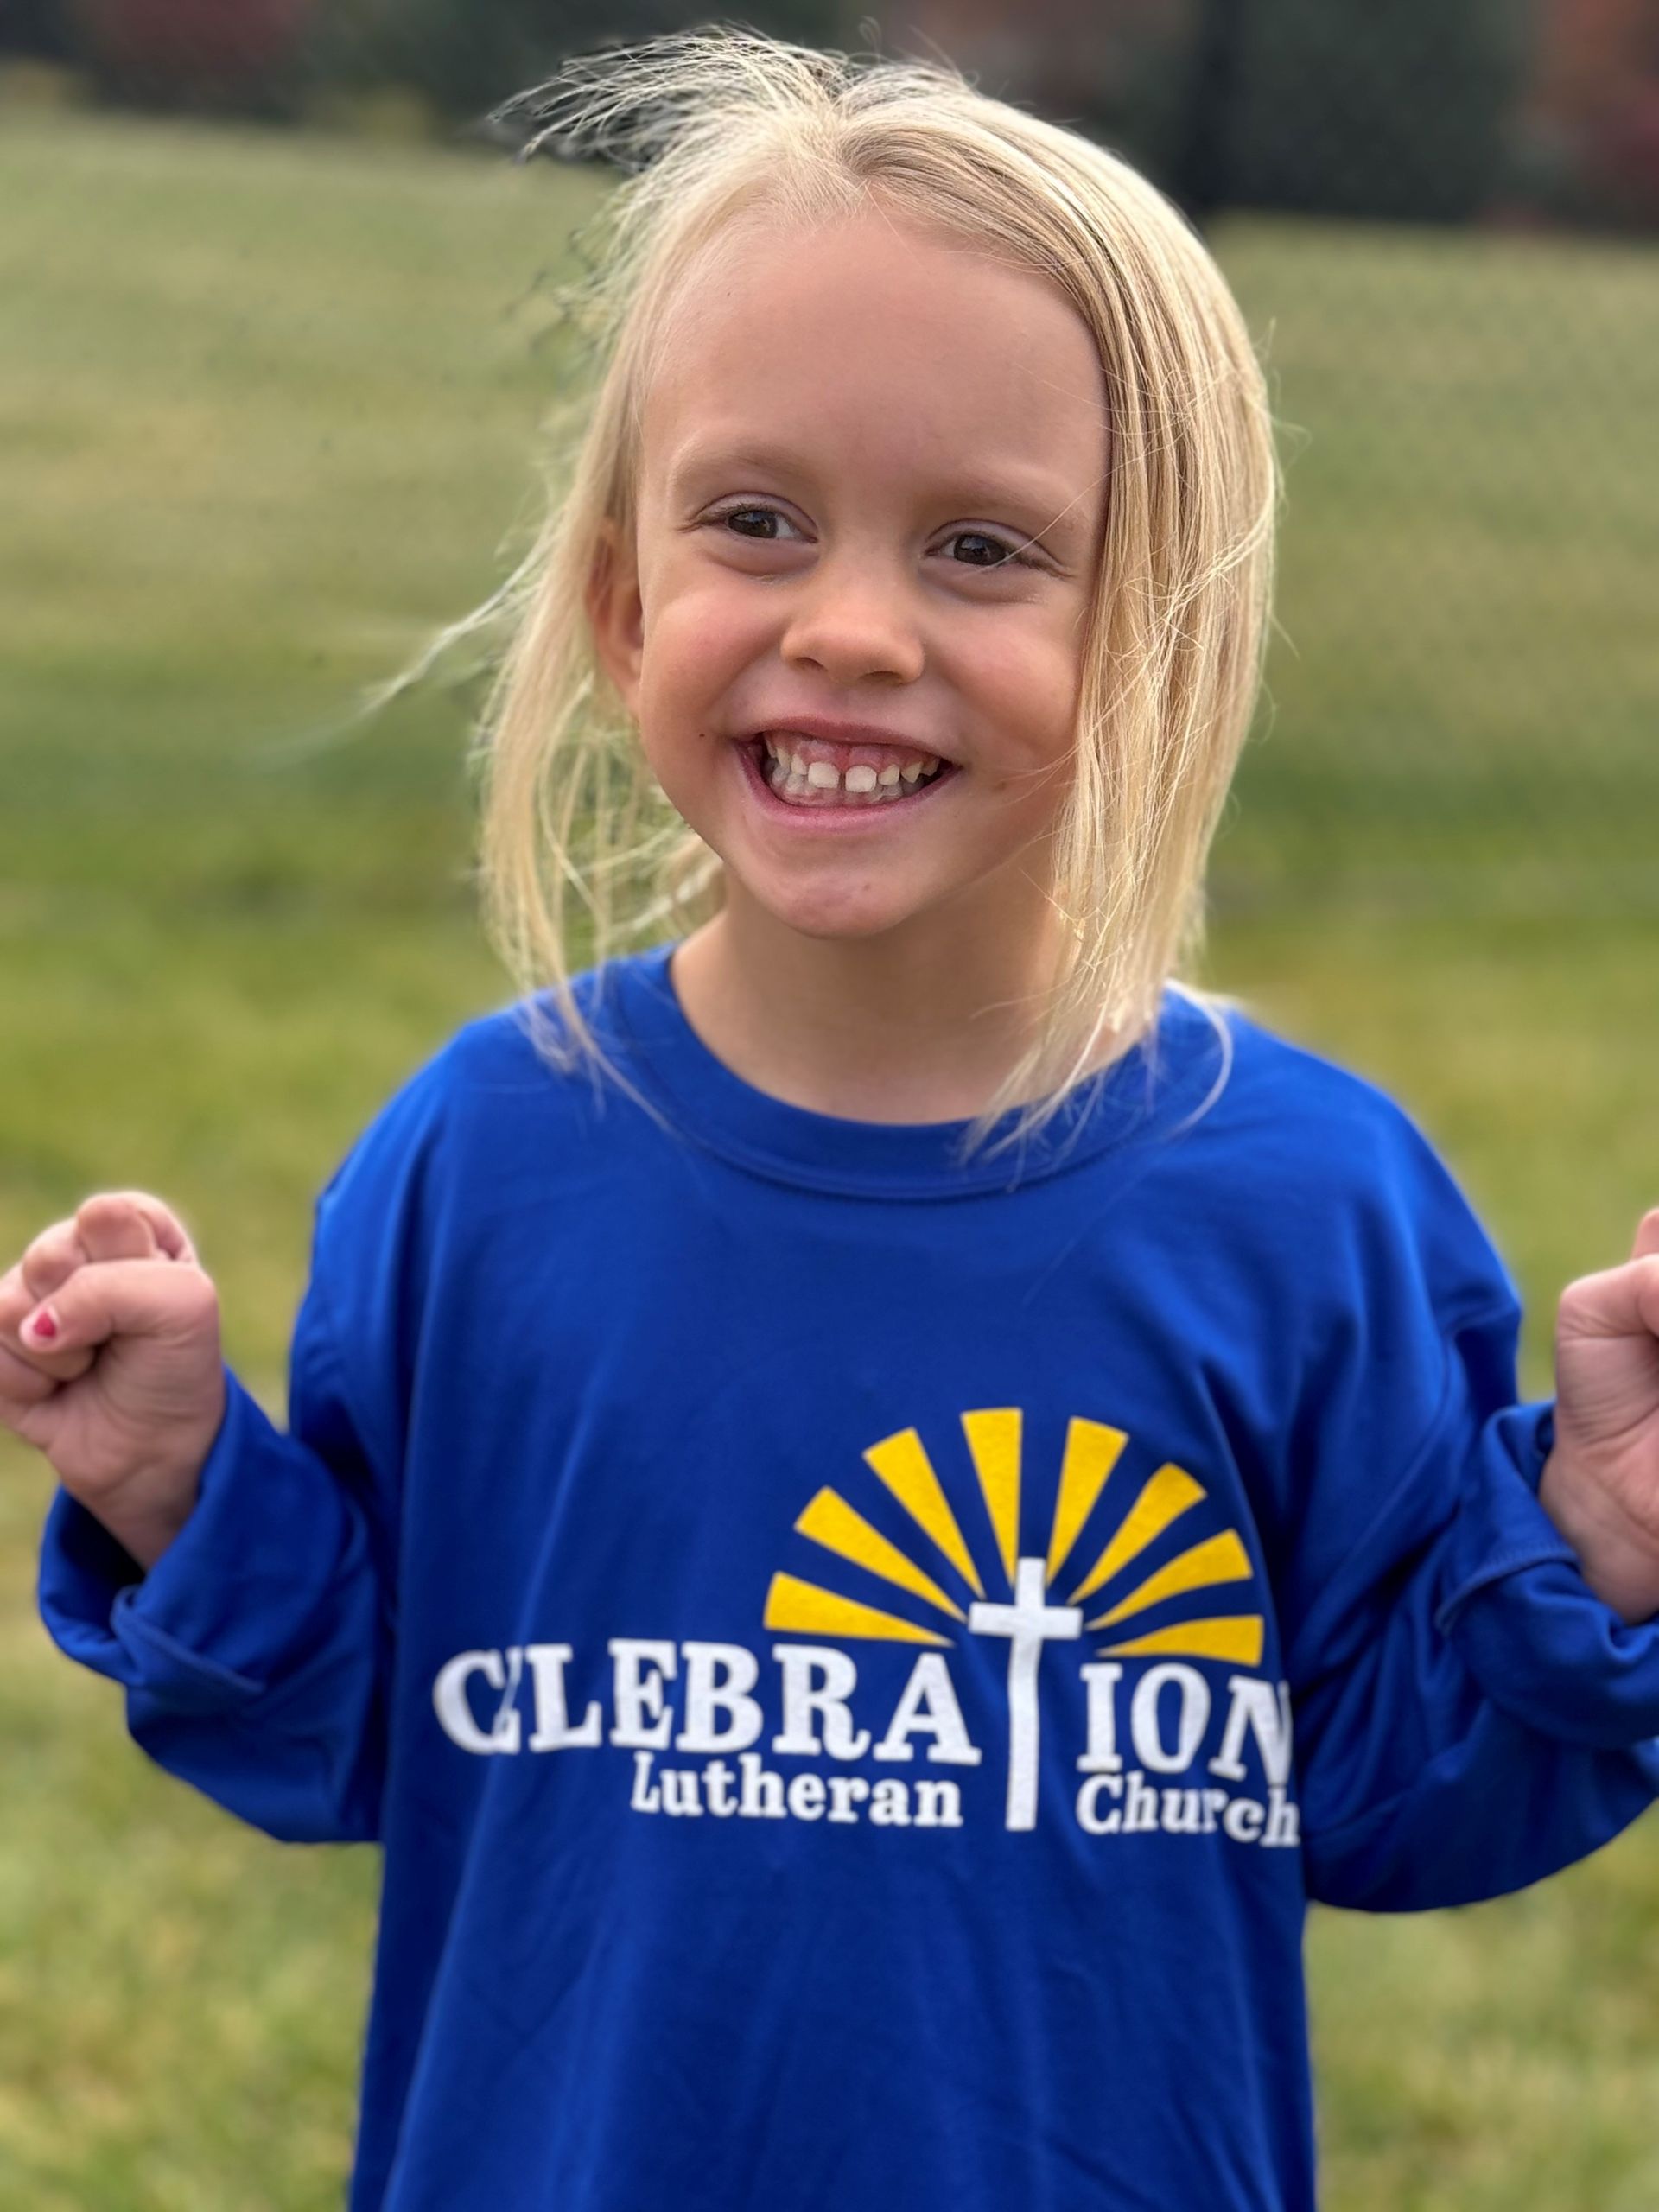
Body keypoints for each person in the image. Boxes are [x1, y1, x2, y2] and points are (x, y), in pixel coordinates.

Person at [6, 26, 1659, 2212]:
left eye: (982, 547)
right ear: (623, 598)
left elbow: (1391, 1787)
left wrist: (1603, 1537)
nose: (852, 628)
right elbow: (360, 1726)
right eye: (757, 520)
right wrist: (181, 1487)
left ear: (1159, 631)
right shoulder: (480, 1164)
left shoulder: (1313, 1206)